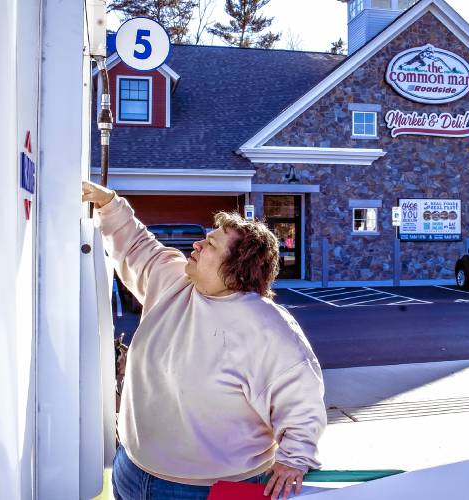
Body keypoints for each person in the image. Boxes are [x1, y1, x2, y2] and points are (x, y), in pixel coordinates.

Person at [82, 181, 327, 500]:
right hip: (132, 471)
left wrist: (294, 459)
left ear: (236, 268)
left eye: (210, 244)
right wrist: (109, 204)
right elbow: (138, 247)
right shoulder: (172, 280)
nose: (197, 245)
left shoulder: (269, 329)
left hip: (211, 490)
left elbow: (302, 400)